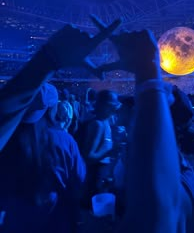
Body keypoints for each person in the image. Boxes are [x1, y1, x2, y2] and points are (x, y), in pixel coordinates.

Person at [0, 17, 122, 233]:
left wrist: (48, 59)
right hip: (58, 225)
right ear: (51, 109)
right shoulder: (62, 140)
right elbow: (78, 184)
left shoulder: (8, 140)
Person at [96, 24, 194, 233]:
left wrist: (148, 68)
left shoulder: (167, 184)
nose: (121, 109)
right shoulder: (181, 168)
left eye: (136, 108)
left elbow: (156, 214)